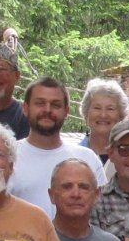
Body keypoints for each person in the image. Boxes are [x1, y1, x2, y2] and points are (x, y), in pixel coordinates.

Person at [7, 78, 82, 216]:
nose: (47, 110)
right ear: (26, 108)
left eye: (55, 105)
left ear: (66, 111)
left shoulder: (86, 158)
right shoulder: (6, 157)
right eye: (40, 103)